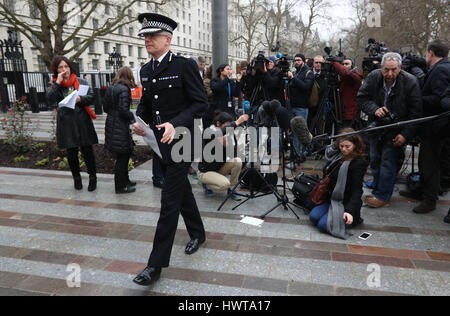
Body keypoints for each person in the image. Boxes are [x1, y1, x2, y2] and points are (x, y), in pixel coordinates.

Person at [132, 13, 208, 286]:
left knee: (169, 202)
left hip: (183, 140)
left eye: (152, 36)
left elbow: (201, 104)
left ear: (168, 39)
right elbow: (147, 106)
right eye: (144, 36)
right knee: (182, 192)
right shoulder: (145, 70)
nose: (147, 40)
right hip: (160, 143)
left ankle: (155, 265)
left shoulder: (185, 65)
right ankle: (198, 233)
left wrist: (175, 124)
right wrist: (140, 123)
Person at [357, 52, 423, 208]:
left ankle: (382, 196)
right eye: (386, 69)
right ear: (381, 67)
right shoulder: (374, 76)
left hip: (397, 129)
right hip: (376, 127)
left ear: (400, 67)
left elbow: (416, 113)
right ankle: (378, 185)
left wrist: (405, 134)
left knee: (388, 162)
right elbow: (361, 98)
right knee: (374, 159)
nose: (389, 74)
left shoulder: (410, 82)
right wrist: (374, 110)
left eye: (394, 70)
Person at [399, 40, 450, 214]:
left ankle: (429, 199)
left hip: (436, 126)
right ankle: (420, 189)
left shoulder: (441, 69)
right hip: (433, 125)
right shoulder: (441, 67)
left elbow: (438, 99)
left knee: (430, 163)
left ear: (430, 53)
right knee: (424, 161)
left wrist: (416, 99)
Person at [46, 56, 98, 192]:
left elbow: (92, 97)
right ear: (56, 70)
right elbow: (50, 100)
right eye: (61, 67)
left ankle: (93, 178)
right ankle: (77, 178)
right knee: (72, 153)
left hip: (82, 122)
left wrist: (81, 98)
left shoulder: (81, 82)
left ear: (70, 68)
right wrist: (57, 82)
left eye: (66, 67)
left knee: (88, 152)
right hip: (67, 123)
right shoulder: (54, 85)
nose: (64, 70)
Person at [309, 129, 368, 239]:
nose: (344, 149)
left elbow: (357, 190)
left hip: (345, 203)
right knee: (313, 217)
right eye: (341, 146)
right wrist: (310, 137)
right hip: (332, 199)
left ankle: (354, 219)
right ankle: (331, 214)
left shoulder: (359, 163)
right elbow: (322, 150)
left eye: (347, 146)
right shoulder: (337, 156)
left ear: (355, 145)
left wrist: (349, 211)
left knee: (323, 225)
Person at [198, 112, 248, 200]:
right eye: (227, 126)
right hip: (205, 172)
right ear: (218, 124)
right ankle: (206, 184)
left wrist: (227, 146)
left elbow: (231, 156)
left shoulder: (227, 136)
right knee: (225, 185)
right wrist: (237, 122)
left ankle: (232, 190)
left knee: (237, 161)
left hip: (218, 169)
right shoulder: (209, 132)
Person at [103, 67, 137, 194]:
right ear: (129, 76)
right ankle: (120, 186)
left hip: (111, 123)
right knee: (123, 156)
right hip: (120, 125)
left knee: (123, 154)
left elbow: (105, 107)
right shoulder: (124, 89)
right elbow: (123, 110)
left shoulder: (111, 88)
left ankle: (126, 181)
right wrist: (133, 118)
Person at [288, 53, 314, 160]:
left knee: (301, 132)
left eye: (298, 60)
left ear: (303, 61)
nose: (296, 62)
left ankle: (300, 154)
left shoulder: (308, 73)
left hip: (302, 107)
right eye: (295, 60)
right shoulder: (296, 72)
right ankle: (295, 153)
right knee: (293, 132)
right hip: (292, 106)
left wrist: (293, 78)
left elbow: (305, 87)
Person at [332, 57, 363, 128]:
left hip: (351, 114)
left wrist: (334, 63)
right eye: (342, 64)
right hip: (342, 112)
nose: (344, 66)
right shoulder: (343, 78)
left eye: (347, 64)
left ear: (352, 66)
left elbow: (346, 73)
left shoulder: (356, 76)